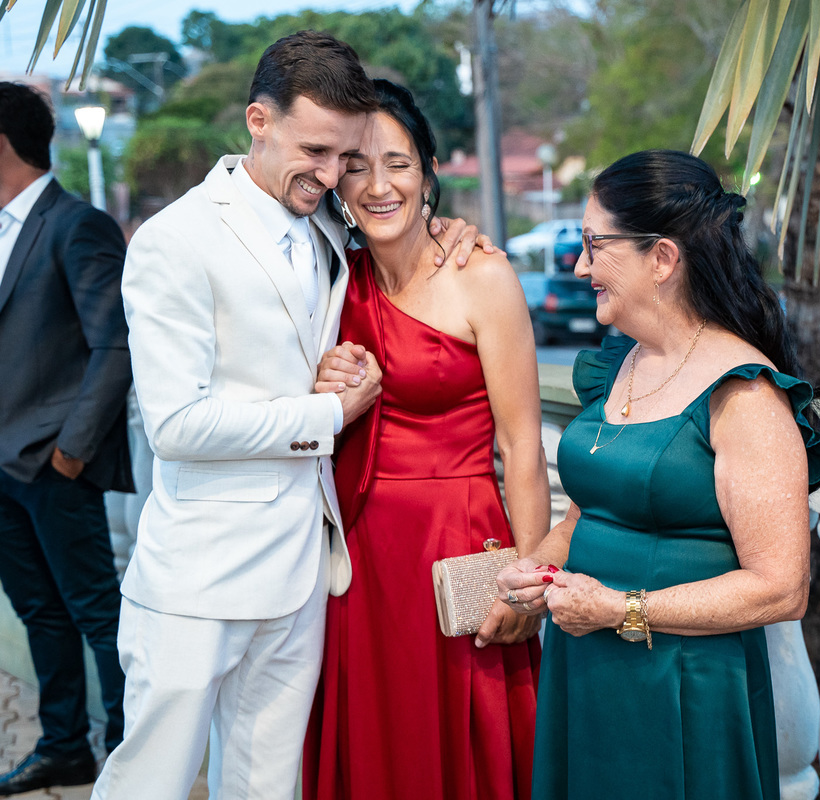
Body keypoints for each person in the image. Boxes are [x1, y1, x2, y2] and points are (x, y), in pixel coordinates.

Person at [91, 33, 488, 800]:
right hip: (199, 581)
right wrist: (325, 413)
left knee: (268, 788)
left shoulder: (330, 228)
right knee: (149, 785)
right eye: (315, 151)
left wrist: (447, 228)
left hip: (307, 575)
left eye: (344, 156)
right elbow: (176, 426)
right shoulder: (177, 240)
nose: (332, 175)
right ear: (258, 121)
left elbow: (399, 235)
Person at [496, 149, 820, 800]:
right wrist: (536, 568)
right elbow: (586, 515)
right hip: (587, 665)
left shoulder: (744, 396)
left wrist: (619, 610)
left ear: (662, 258)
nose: (580, 266)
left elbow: (781, 589)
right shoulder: (619, 362)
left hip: (684, 684)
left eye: (595, 246)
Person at [302, 78, 546, 800]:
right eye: (356, 166)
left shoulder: (481, 274)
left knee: (463, 745)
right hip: (359, 557)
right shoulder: (330, 277)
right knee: (377, 746)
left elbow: (523, 448)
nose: (379, 186)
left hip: (457, 544)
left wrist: (530, 584)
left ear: (429, 171)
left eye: (398, 164)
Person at [0, 82, 131, 796]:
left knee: (98, 614)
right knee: (39, 613)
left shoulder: (77, 224)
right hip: (3, 468)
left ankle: (126, 755)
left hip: (55, 465)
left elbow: (114, 344)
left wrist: (71, 453)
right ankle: (63, 748)